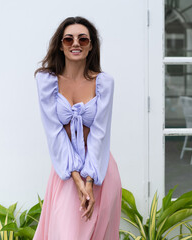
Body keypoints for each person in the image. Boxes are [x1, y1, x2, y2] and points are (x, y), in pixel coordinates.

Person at [33, 16, 122, 239]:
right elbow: (53, 132)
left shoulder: (104, 83)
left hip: (99, 169)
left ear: (91, 46)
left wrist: (89, 181)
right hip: (65, 170)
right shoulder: (47, 82)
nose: (75, 43)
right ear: (60, 45)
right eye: (68, 39)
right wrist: (76, 179)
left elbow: (100, 133)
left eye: (83, 39)